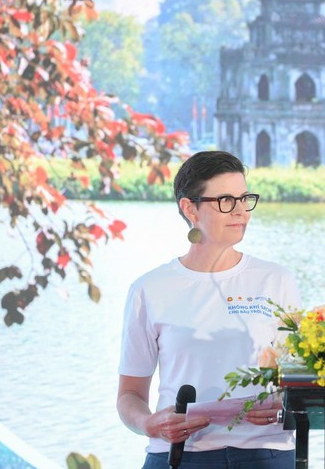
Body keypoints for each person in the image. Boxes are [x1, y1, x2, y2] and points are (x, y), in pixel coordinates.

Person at [117, 151, 300, 469]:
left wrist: (285, 403)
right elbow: (129, 396)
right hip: (176, 455)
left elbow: (302, 379)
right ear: (190, 208)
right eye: (226, 201)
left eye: (245, 199)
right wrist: (150, 424)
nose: (241, 211)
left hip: (265, 453)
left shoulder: (276, 279)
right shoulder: (149, 288)